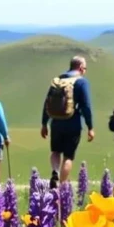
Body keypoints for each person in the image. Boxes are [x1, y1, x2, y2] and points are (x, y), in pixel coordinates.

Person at [41, 55, 94, 184]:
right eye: (85, 68)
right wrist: (90, 127)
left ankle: (55, 171)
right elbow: (86, 106)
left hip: (56, 123)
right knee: (68, 157)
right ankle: (61, 186)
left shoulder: (58, 80)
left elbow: (47, 103)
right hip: (73, 123)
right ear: (81, 67)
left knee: (55, 151)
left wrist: (44, 123)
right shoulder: (82, 82)